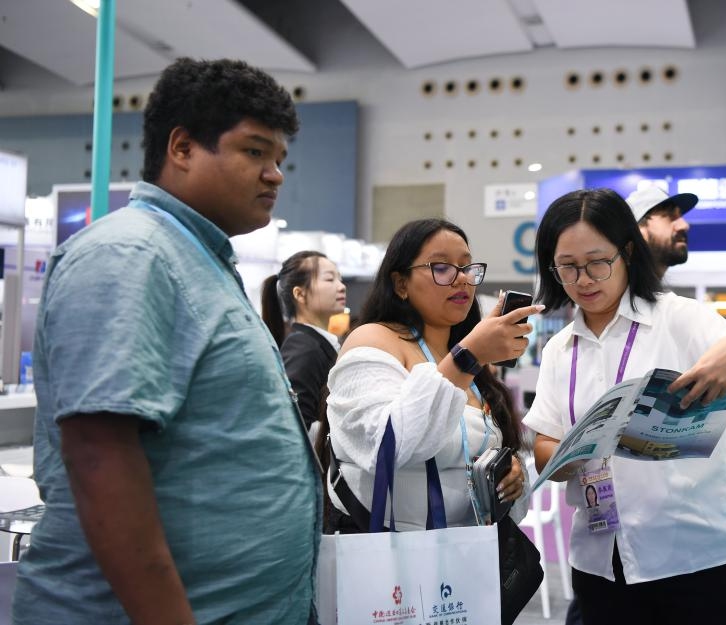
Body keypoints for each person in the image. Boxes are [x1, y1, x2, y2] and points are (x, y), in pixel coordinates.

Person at [12, 58, 320, 625]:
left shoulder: (197, 260)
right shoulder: (131, 255)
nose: (275, 174)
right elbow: (100, 456)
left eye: (279, 159)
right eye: (255, 151)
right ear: (181, 148)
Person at [525, 188, 726, 625]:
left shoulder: (678, 317)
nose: (584, 279)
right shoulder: (559, 350)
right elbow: (544, 444)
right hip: (602, 559)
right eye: (568, 267)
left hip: (700, 555)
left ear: (626, 252)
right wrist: (573, 453)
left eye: (598, 262)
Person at [325, 218, 543, 531]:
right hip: (394, 555)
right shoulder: (373, 339)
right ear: (400, 283)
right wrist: (468, 357)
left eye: (467, 267)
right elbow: (388, 444)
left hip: (467, 553)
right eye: (441, 267)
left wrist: (511, 473)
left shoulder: (473, 365)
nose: (461, 279)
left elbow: (482, 449)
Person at [261, 251, 347, 534]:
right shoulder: (303, 347)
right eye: (329, 278)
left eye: (340, 277)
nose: (341, 285)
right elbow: (297, 427)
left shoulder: (318, 343)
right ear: (300, 293)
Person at [625, 186, 697, 279]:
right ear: (639, 231)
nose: (685, 225)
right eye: (670, 216)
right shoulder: (614, 291)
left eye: (680, 215)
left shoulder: (648, 292)